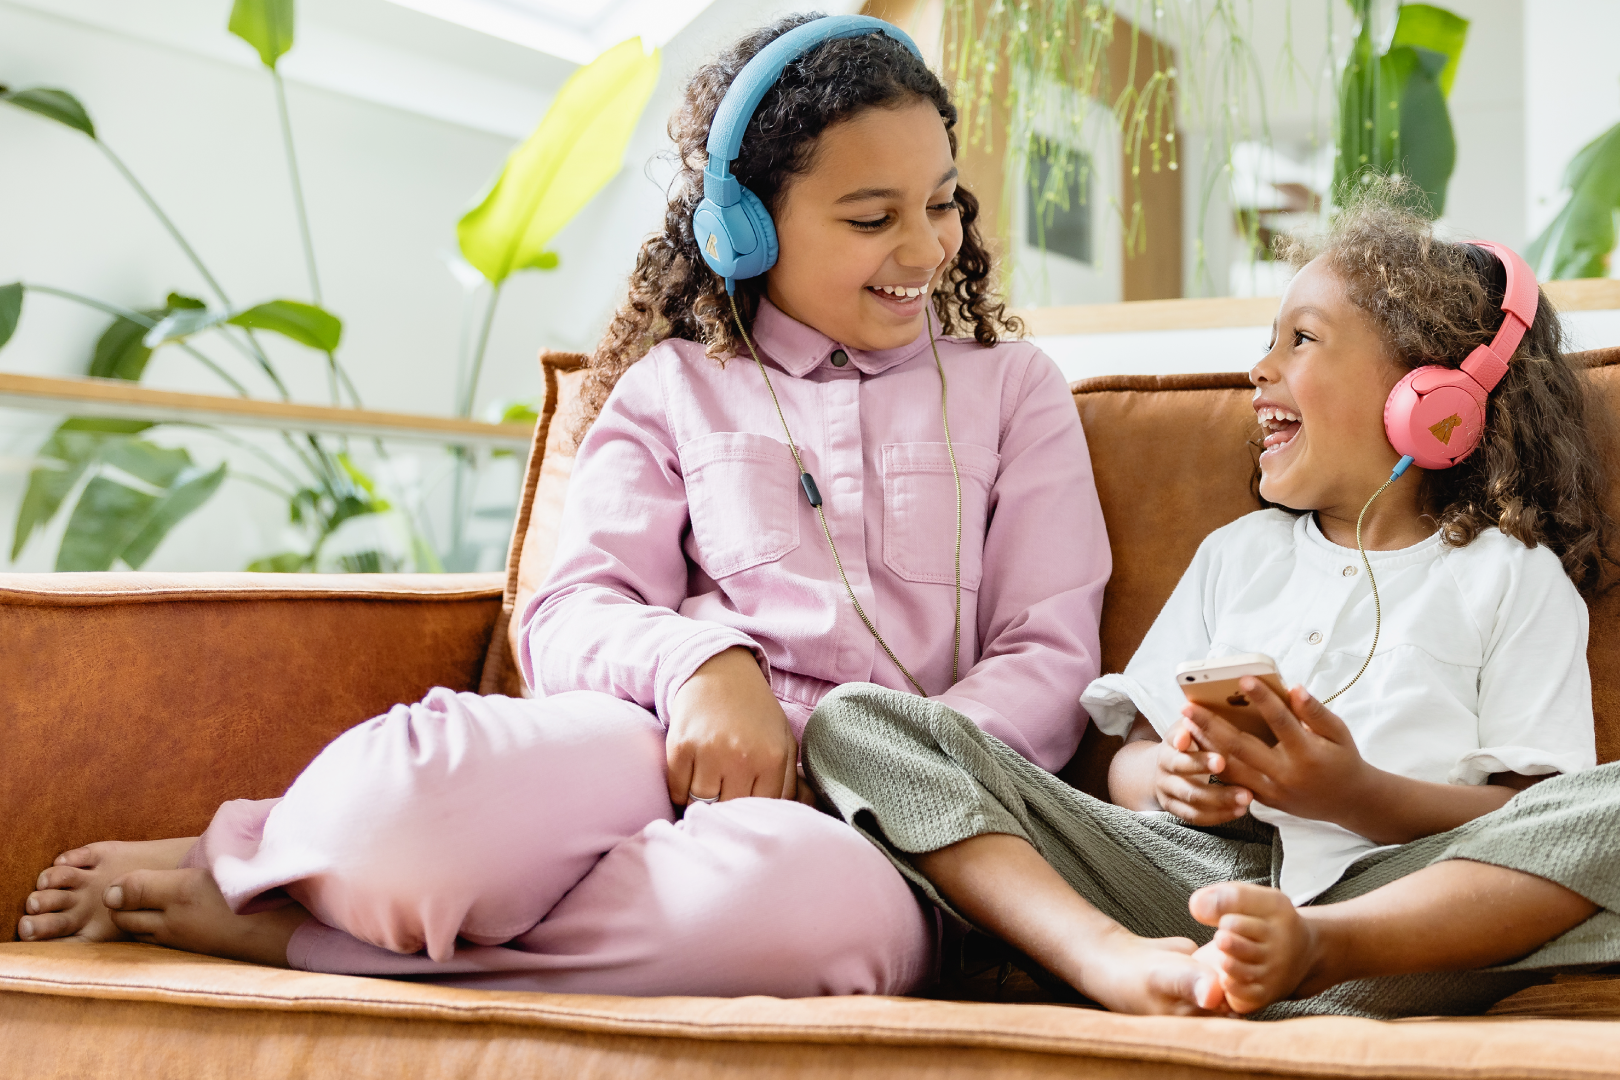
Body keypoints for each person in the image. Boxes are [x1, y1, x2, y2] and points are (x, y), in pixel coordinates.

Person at [15, 14, 1110, 998]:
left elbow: (1050, 660)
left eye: (938, 203)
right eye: (874, 218)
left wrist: (870, 763)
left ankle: (299, 935)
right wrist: (701, 666)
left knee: (803, 920)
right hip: (644, 748)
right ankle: (269, 848)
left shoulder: (1012, 392)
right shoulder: (674, 388)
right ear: (746, 228)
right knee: (406, 804)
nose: (925, 248)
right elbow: (571, 612)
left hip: (871, 826)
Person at [802, 181, 1620, 1019]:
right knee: (859, 722)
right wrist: (1170, 780)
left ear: (1433, 397)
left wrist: (1354, 796)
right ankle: (1112, 961)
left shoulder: (1510, 576)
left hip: (1405, 914)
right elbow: (1130, 760)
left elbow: (1536, 817)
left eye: (1301, 339)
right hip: (1192, 894)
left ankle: (1316, 954)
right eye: (1269, 341)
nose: (1259, 368)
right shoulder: (1238, 555)